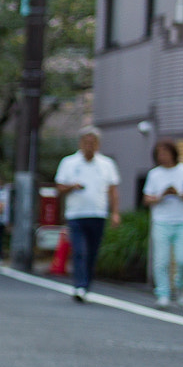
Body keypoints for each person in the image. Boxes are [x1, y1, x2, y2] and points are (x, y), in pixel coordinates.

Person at [55, 126, 122, 301]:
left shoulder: (107, 164)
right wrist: (72, 186)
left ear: (98, 144)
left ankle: (86, 285)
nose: (89, 145)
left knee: (92, 252)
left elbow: (113, 190)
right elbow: (59, 187)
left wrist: (115, 213)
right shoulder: (68, 162)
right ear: (80, 143)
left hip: (98, 214)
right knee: (79, 250)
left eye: (93, 142)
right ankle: (79, 286)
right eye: (86, 142)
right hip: (76, 214)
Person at [143, 139, 183, 306]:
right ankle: (163, 293)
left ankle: (181, 286)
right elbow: (147, 199)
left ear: (173, 153)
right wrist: (162, 195)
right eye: (159, 153)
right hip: (161, 221)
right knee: (161, 260)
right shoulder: (154, 174)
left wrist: (180, 194)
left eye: (165, 152)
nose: (162, 156)